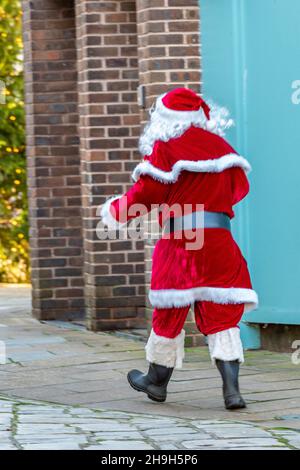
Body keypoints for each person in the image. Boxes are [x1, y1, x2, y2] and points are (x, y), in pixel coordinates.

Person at [100, 88, 258, 410]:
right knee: (222, 313)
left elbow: (146, 195)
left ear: (166, 118)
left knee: (169, 311)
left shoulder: (166, 147)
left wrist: (115, 211)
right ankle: (232, 392)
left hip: (180, 243)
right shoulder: (221, 147)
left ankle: (156, 381)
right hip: (218, 241)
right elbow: (236, 190)